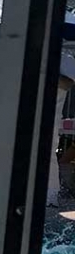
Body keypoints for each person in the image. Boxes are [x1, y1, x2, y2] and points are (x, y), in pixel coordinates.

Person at [48, 55, 75, 206]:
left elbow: (67, 83)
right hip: (27, 113)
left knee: (46, 155)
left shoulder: (66, 58)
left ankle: (50, 197)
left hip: (49, 117)